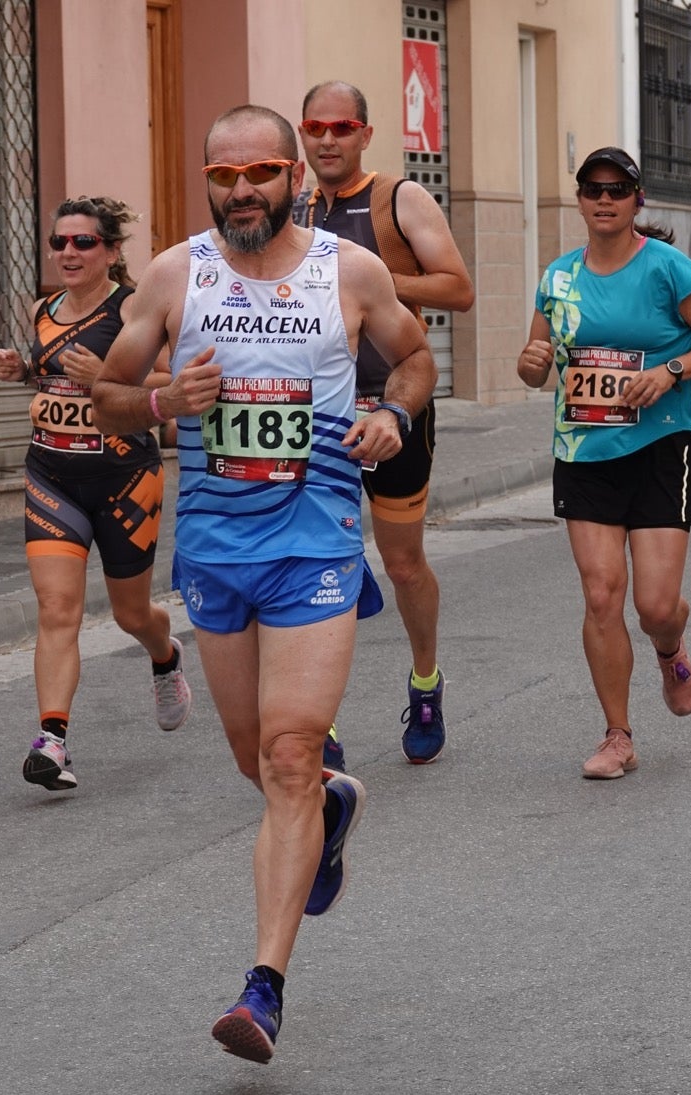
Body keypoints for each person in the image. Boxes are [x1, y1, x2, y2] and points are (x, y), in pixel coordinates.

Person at [91, 105, 437, 1063]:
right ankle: (330, 807)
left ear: (295, 178)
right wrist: (163, 400)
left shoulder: (350, 271)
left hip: (315, 543)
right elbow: (109, 396)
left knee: (288, 754)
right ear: (207, 180)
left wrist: (392, 420)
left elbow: (413, 360)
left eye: (261, 173)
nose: (242, 191)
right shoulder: (175, 273)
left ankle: (264, 987)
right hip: (213, 552)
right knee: (258, 765)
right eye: (224, 175)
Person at [517, 147, 691, 780]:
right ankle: (617, 734)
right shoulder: (559, 276)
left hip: (663, 447)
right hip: (583, 450)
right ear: (581, 199)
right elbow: (536, 358)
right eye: (593, 189)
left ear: (637, 198)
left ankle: (669, 647)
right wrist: (531, 366)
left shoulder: (666, 267)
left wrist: (669, 372)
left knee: (654, 604)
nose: (605, 199)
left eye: (618, 189)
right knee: (599, 594)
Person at [293, 80, 474, 767]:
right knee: (316, 566)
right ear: (303, 137)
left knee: (400, 564)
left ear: (366, 134)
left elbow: (457, 288)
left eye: (341, 127)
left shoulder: (399, 199)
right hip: (313, 413)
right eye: (315, 128)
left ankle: (425, 680)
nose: (328, 140)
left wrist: (370, 283)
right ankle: (320, 717)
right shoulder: (292, 206)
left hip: (394, 401)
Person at [0, 195, 191, 792]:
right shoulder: (43, 309)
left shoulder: (133, 308)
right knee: (58, 611)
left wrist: (100, 379)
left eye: (83, 243)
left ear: (110, 250)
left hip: (125, 476)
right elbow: (49, 368)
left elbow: (174, 381)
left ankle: (165, 654)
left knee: (131, 614)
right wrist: (20, 369)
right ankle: (52, 739)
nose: (69, 253)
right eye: (60, 243)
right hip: (52, 475)